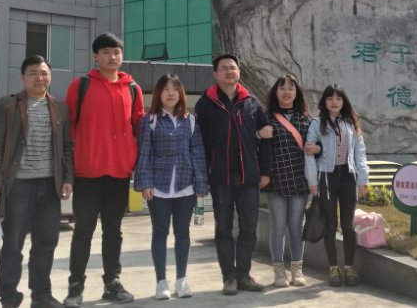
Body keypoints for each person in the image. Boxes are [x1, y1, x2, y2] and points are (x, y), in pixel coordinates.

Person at [62, 33, 145, 307]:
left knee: (113, 231)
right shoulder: (81, 86)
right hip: (87, 171)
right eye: (106, 52)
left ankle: (112, 283)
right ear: (96, 56)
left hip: (119, 172)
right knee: (83, 230)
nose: (112, 57)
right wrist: (68, 171)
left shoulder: (132, 88)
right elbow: (68, 128)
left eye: (117, 52)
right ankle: (75, 287)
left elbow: (140, 126)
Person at [0, 55, 73, 308]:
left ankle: (41, 295)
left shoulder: (60, 107)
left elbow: (67, 147)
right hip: (18, 187)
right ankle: (9, 297)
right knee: (13, 244)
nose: (39, 78)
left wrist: (68, 178)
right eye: (33, 73)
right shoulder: (7, 105)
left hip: (50, 186)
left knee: (46, 243)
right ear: (23, 78)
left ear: (50, 77)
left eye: (44, 73)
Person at [194, 54, 273, 295]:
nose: (229, 71)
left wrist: (265, 171)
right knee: (224, 230)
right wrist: (202, 175)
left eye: (233, 67)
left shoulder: (251, 102)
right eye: (224, 68)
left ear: (239, 72)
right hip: (220, 178)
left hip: (249, 177)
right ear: (215, 74)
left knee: (249, 229)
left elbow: (266, 136)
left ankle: (244, 275)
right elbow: (200, 143)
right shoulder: (205, 104)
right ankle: (229, 277)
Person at [133, 74, 208, 300]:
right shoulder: (150, 121)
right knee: (160, 232)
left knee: (182, 233)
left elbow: (198, 154)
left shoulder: (191, 121)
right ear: (159, 93)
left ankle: (182, 280)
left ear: (180, 93)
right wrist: (145, 183)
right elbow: (144, 154)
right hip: (159, 187)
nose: (171, 93)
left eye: (175, 88)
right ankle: (161, 282)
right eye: (165, 89)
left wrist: (201, 184)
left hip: (186, 187)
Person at [304, 84, 369, 287]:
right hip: (326, 178)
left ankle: (349, 267)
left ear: (343, 101)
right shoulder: (317, 124)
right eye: (330, 98)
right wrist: (312, 182)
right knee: (331, 225)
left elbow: (360, 153)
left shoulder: (351, 124)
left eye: (338, 98)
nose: (334, 102)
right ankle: (333, 268)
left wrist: (363, 179)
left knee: (348, 225)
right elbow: (309, 153)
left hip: (348, 177)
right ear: (324, 101)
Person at [263, 75, 320, 287]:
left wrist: (318, 148)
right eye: (282, 88)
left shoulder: (307, 119)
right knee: (278, 226)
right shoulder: (266, 118)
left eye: (291, 88)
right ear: (275, 92)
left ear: (297, 93)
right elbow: (259, 148)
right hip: (275, 180)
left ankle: (297, 269)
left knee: (296, 226)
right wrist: (259, 135)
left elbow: (319, 146)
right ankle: (279, 271)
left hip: (299, 180)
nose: (287, 92)